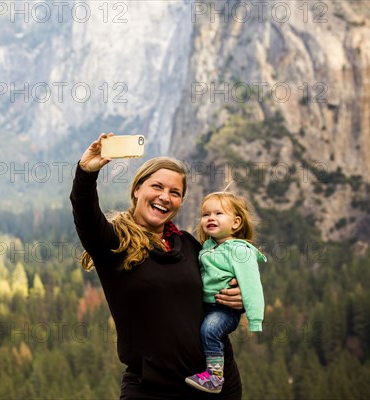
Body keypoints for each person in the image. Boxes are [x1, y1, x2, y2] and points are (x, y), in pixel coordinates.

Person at [70, 133, 244, 399]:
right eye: (157, 187)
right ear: (137, 189)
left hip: (218, 386)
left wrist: (236, 298)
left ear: (180, 202)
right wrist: (85, 172)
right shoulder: (114, 244)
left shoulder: (187, 244)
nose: (165, 197)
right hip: (153, 390)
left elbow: (218, 291)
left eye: (175, 193)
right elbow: (85, 212)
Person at [185, 191, 266, 394]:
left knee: (210, 330)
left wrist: (255, 319)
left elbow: (252, 286)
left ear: (236, 223)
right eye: (205, 214)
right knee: (204, 328)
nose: (211, 218)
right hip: (207, 306)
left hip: (225, 310)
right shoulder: (207, 248)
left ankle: (214, 378)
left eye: (219, 213)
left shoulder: (240, 250)